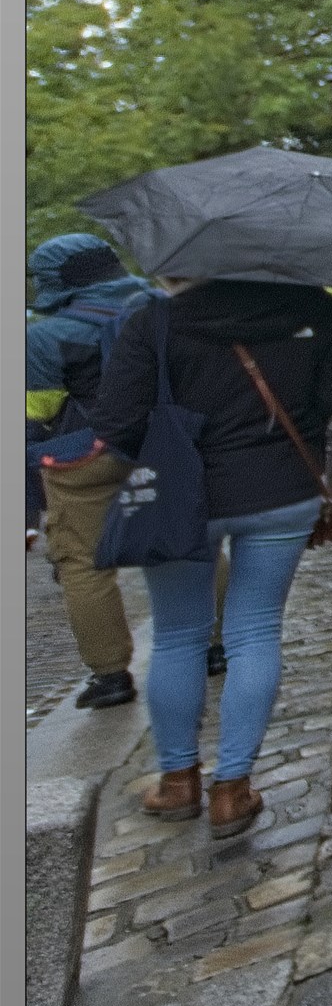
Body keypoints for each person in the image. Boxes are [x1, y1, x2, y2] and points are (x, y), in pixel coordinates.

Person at [79, 278, 332, 840]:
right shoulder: (316, 309)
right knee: (255, 630)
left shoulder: (155, 322)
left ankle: (178, 780)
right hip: (281, 489)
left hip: (182, 500)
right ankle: (233, 790)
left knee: (179, 635)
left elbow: (115, 424)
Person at [26, 236, 165, 708]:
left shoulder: (43, 337)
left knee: (82, 562)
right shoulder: (162, 305)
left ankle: (110, 677)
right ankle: (213, 646)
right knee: (188, 541)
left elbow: (36, 407)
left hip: (88, 455)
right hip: (165, 444)